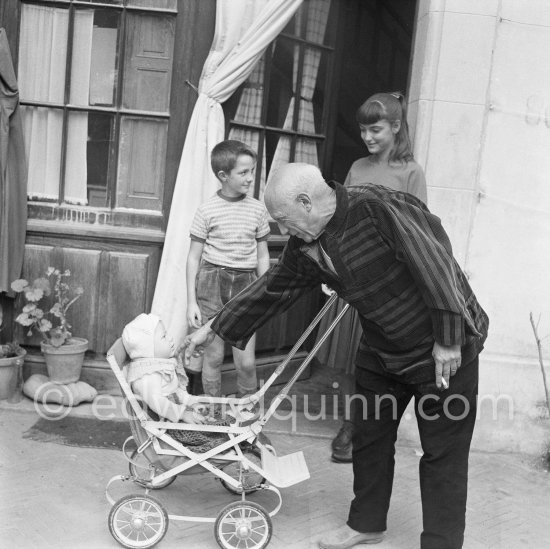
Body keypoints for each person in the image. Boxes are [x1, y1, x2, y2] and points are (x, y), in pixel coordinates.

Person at [182, 163, 489, 549]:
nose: (280, 230)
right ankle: (366, 524)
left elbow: (436, 262)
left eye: (282, 219)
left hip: (442, 350)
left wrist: (448, 337)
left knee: (443, 453)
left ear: (306, 201)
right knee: (369, 439)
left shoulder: (377, 208)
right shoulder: (306, 243)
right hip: (382, 350)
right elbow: (273, 288)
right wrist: (214, 327)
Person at [328, 91, 428, 463]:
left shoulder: (411, 172)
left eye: (375, 129)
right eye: (363, 130)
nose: (368, 137)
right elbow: (343, 219)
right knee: (354, 355)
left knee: (380, 354)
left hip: (390, 282)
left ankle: (366, 426)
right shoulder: (357, 167)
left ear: (396, 127)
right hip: (355, 272)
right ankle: (350, 423)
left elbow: (421, 229)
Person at [186, 139, 271, 399]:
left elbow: (263, 254)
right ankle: (213, 415)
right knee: (212, 358)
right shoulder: (207, 210)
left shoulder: (257, 209)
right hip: (212, 282)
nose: (249, 178)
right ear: (223, 175)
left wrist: (265, 288)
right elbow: (193, 258)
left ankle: (248, 415)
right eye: (243, 172)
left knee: (245, 361)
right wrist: (192, 302)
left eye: (252, 171)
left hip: (246, 284)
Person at [122, 313, 206, 424]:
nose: (170, 338)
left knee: (208, 420)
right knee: (210, 433)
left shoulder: (160, 366)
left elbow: (175, 392)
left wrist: (190, 402)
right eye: (164, 336)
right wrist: (183, 413)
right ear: (147, 349)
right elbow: (157, 402)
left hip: (177, 415)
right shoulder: (147, 375)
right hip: (165, 423)